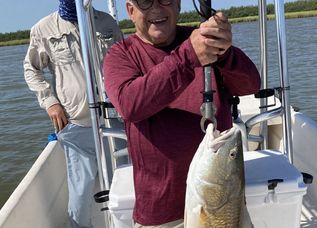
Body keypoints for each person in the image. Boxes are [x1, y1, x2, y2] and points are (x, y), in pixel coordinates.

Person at [103, 0, 260, 227]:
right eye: (145, 2)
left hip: (223, 203)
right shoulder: (121, 54)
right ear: (130, 10)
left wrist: (225, 52)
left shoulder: (203, 41)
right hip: (160, 212)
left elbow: (250, 85)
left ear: (177, 5)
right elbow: (131, 105)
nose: (156, 9)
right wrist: (188, 57)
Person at [23, 0, 122, 227]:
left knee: (121, 180)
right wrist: (50, 102)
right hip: (77, 123)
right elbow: (31, 70)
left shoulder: (107, 23)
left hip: (114, 118)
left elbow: (124, 63)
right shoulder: (43, 28)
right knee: (82, 189)